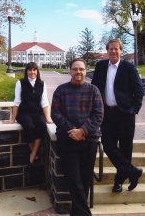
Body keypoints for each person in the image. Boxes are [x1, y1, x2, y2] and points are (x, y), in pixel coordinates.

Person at [51, 58, 103, 216]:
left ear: (86, 71)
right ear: (70, 70)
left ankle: (77, 212)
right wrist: (72, 129)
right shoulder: (61, 90)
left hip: (89, 140)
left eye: (81, 69)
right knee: (73, 180)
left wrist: (82, 131)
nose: (78, 72)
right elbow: (55, 113)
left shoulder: (93, 90)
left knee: (85, 180)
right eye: (75, 69)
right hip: (67, 141)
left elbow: (98, 114)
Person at [91, 38, 144, 193]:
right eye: (111, 49)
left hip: (125, 114)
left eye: (116, 49)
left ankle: (118, 182)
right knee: (108, 145)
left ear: (121, 50)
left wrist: (134, 109)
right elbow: (94, 88)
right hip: (107, 114)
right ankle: (132, 172)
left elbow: (139, 90)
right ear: (107, 51)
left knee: (126, 148)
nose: (113, 51)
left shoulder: (129, 67)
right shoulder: (100, 66)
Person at [4, 62, 52, 164]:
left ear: (37, 71)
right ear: (26, 71)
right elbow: (17, 101)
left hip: (37, 112)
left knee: (42, 126)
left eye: (34, 70)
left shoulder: (42, 84)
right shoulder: (20, 82)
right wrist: (13, 118)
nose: (32, 72)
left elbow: (44, 102)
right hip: (24, 113)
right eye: (29, 70)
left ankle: (33, 153)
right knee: (29, 126)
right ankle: (34, 152)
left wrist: (48, 118)